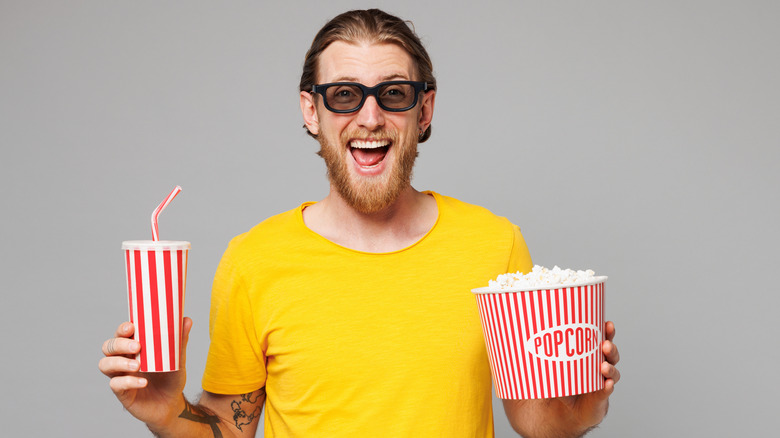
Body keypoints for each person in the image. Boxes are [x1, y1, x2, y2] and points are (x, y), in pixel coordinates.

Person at [100, 9, 620, 437]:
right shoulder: (254, 260)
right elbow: (228, 428)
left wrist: (587, 404)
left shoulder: (494, 245)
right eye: (345, 95)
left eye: (393, 94)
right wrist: (169, 412)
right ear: (311, 111)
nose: (370, 118)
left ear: (424, 109)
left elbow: (536, 421)